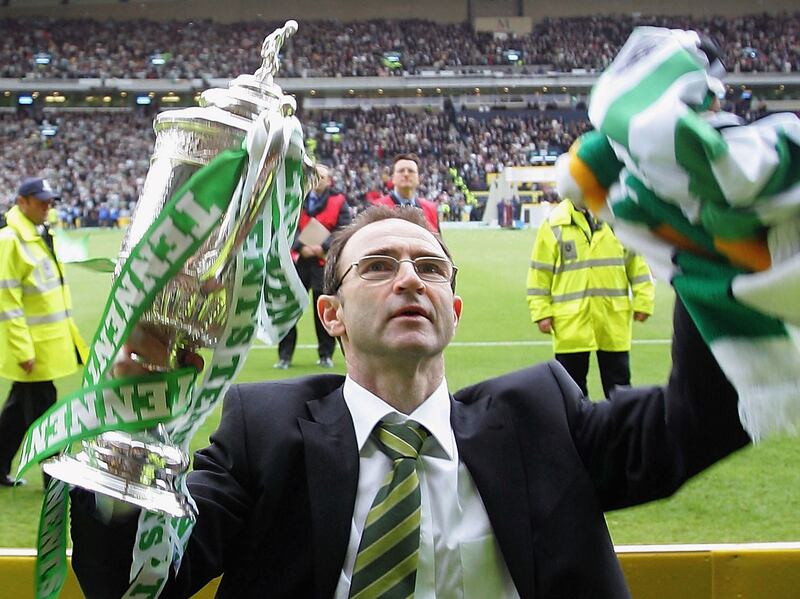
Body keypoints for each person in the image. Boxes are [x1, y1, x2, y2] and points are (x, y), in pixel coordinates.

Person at [71, 205, 750, 599]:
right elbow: (134, 579)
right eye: (378, 265)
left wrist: (714, 249)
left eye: (429, 268)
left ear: (452, 308)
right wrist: (127, 419)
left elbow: (703, 418)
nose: (408, 279)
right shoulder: (264, 431)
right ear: (329, 314)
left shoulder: (543, 413)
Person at [0, 177, 87, 487]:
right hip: (34, 351)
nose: (47, 208)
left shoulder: (38, 235)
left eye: (50, 202)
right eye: (41, 202)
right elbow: (8, 303)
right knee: (47, 414)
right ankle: (55, 476)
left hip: (46, 347)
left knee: (17, 413)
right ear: (21, 202)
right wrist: (23, 351)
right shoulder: (11, 241)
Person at [527, 198, 655, 398]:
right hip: (571, 324)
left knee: (620, 389)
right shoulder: (554, 224)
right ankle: (577, 431)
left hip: (611, 321)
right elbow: (539, 274)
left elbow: (637, 265)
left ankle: (621, 430)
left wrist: (643, 301)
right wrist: (541, 312)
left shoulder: (618, 221)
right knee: (571, 392)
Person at [275, 164, 351, 369]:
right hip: (298, 262)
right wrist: (301, 246)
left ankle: (325, 354)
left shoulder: (338, 200)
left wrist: (322, 247)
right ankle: (284, 356)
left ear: (329, 181)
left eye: (323, 176)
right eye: (315, 176)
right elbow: (283, 225)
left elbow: (344, 229)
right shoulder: (295, 198)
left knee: (325, 308)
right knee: (290, 308)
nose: (318, 180)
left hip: (322, 263)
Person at [374, 153, 440, 232]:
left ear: (418, 178)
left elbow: (437, 242)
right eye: (401, 171)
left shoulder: (431, 209)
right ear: (393, 178)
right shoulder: (378, 207)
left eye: (411, 171)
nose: (406, 174)